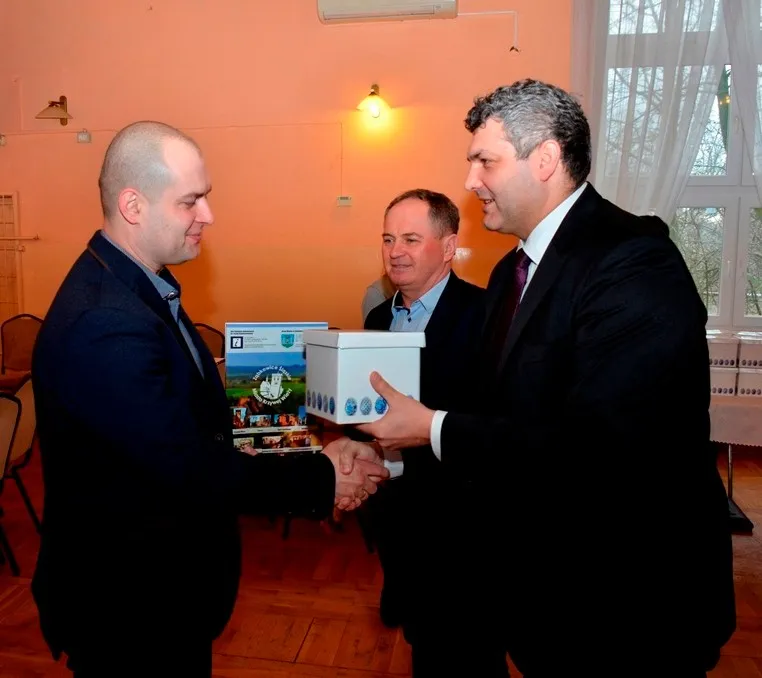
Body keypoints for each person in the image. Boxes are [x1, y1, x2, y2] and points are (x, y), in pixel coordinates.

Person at [356, 80, 736, 677]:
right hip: (548, 590)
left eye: (485, 161)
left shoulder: (631, 259)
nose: (471, 181)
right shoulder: (512, 269)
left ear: (546, 159)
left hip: (627, 604)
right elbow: (498, 407)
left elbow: (601, 448)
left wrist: (430, 428)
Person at [30, 120, 388, 678]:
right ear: (133, 205)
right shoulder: (107, 321)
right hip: (130, 609)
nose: (209, 215)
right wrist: (321, 478)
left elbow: (200, 426)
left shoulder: (138, 290)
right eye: (190, 201)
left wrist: (313, 453)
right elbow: (188, 466)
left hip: (156, 596)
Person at [362, 189, 497, 676]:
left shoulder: (487, 315)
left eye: (411, 239)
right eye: (388, 239)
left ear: (448, 247)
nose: (395, 251)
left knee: (467, 654)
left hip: (461, 526)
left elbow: (496, 424)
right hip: (396, 518)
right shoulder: (378, 318)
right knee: (423, 642)